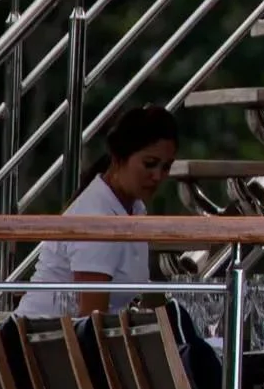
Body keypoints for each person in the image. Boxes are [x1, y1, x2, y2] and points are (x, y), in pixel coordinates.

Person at [20, 102, 179, 317]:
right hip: (45, 341)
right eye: (149, 163)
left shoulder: (133, 208)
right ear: (118, 159)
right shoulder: (97, 216)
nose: (158, 176)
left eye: (166, 167)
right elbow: (92, 320)